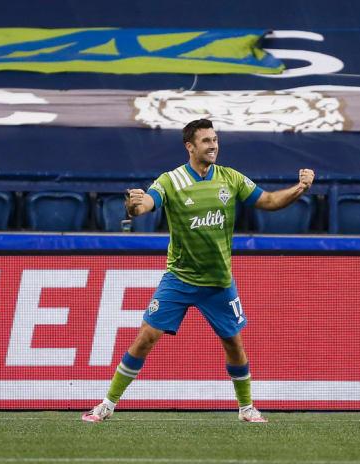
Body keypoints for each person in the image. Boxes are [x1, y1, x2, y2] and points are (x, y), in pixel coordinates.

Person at [82, 118, 315, 423]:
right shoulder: (171, 180)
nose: (213, 145)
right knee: (145, 338)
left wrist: (301, 187)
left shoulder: (230, 178)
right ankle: (107, 404)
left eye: (215, 140)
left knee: (234, 343)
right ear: (190, 146)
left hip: (219, 282)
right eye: (206, 141)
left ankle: (246, 408)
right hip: (179, 279)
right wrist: (133, 205)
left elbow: (269, 201)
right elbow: (145, 206)